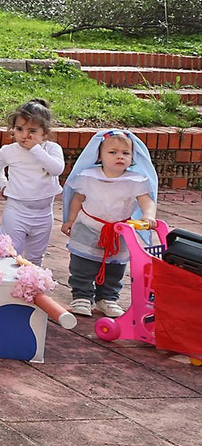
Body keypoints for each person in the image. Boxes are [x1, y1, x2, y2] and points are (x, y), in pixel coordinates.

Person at [61, 129, 159, 317]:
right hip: (88, 226)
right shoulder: (88, 176)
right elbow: (77, 199)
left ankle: (107, 297)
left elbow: (146, 200)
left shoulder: (135, 180)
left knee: (115, 266)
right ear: (99, 155)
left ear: (133, 156)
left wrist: (148, 215)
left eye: (125, 153)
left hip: (118, 231)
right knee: (82, 264)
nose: (119, 157)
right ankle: (82, 296)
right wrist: (70, 220)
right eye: (112, 152)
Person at [0, 99, 64, 266]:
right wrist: (2, 185)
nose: (25, 135)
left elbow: (56, 169)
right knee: (12, 253)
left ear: (44, 133)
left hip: (44, 213)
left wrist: (35, 149)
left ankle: (31, 286)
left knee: (36, 257)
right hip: (17, 211)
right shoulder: (9, 151)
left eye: (32, 130)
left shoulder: (51, 149)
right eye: (19, 129)